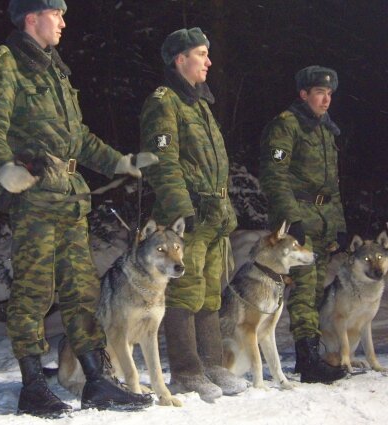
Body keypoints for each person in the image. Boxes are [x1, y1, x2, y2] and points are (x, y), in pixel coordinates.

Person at [0, 0, 157, 417]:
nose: (65, 22)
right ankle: (32, 385)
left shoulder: (55, 70)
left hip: (70, 198)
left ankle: (96, 380)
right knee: (34, 293)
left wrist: (118, 162)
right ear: (32, 17)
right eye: (57, 14)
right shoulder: (5, 64)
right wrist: (3, 168)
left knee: (81, 292)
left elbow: (79, 139)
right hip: (34, 198)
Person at [139, 27, 247, 403]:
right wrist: (180, 207)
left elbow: (212, 163)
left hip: (212, 214)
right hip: (188, 215)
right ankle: (186, 371)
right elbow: (161, 160)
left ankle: (212, 364)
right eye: (202, 53)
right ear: (179, 58)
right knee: (184, 293)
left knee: (210, 291)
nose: (209, 61)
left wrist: (224, 208)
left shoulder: (199, 103)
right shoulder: (164, 101)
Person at [259, 65, 347, 384]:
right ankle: (308, 360)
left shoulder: (326, 130)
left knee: (315, 290)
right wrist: (291, 219)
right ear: (304, 94)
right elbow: (274, 175)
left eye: (329, 94)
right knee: (303, 288)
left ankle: (309, 356)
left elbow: (332, 185)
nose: (326, 100)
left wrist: (338, 225)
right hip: (298, 217)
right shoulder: (287, 125)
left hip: (322, 219)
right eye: (320, 93)